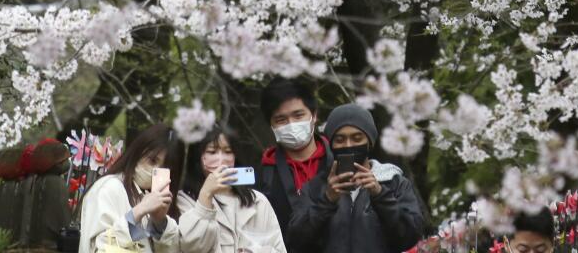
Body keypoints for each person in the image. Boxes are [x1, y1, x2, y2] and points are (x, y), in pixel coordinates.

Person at [288, 104, 424, 253]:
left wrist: (380, 194)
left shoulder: (395, 183)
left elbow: (410, 236)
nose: (348, 145)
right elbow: (296, 240)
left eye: (357, 138)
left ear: (370, 142)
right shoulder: (316, 187)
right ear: (331, 144)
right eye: (340, 140)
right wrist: (327, 200)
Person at [178, 125, 287, 253]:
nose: (221, 160)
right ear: (197, 158)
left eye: (228, 152)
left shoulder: (258, 201)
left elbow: (279, 249)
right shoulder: (184, 200)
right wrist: (206, 194)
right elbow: (192, 247)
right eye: (212, 152)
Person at [78, 123, 185, 253]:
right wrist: (138, 212)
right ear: (138, 152)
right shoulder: (109, 188)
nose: (156, 170)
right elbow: (100, 247)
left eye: (165, 167)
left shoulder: (147, 196)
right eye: (152, 160)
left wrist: (160, 223)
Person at [257, 78, 331, 247]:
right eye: (281, 119)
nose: (292, 124)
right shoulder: (262, 175)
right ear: (271, 125)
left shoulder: (339, 163)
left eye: (298, 115)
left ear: (314, 115)